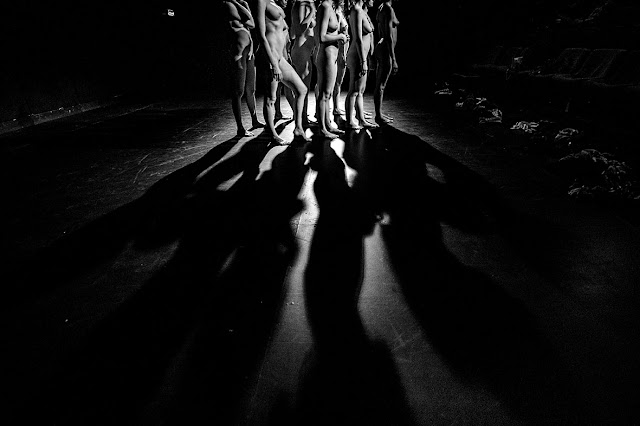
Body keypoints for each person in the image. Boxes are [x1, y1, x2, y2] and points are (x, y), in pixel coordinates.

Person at [256, 0, 311, 144]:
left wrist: (286, 56)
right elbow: (261, 35)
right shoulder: (262, 1)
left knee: (302, 90)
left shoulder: (276, 5)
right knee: (271, 98)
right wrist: (273, 64)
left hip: (281, 57)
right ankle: (273, 135)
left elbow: (287, 35)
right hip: (271, 56)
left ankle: (298, 129)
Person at [222, 0, 265, 136]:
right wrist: (238, 3)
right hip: (239, 52)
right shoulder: (228, 4)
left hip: (249, 52)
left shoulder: (242, 4)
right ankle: (240, 128)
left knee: (251, 89)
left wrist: (243, 4)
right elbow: (247, 20)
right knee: (238, 91)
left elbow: (252, 24)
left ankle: (255, 120)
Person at [314, 0, 349, 138]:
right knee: (324, 94)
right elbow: (322, 37)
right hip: (326, 55)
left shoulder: (331, 8)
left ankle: (327, 125)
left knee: (327, 94)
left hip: (332, 55)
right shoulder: (325, 6)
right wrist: (340, 36)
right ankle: (322, 129)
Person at [345, 0, 377, 130]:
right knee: (354, 90)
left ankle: (361, 119)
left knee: (360, 90)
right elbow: (358, 39)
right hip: (358, 56)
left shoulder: (362, 11)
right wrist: (363, 61)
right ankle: (349, 121)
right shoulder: (357, 11)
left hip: (362, 55)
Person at [289, 0, 317, 127]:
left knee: (305, 88)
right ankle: (301, 120)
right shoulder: (301, 3)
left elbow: (293, 33)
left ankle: (303, 117)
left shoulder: (302, 4)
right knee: (302, 89)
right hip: (301, 51)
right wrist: (312, 11)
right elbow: (301, 28)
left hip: (304, 50)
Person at [373, 0, 399, 126]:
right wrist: (393, 59)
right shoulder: (387, 9)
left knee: (380, 84)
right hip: (385, 49)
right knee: (381, 85)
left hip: (382, 46)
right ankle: (378, 115)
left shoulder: (382, 8)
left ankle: (379, 113)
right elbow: (388, 36)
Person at [332, 0, 349, 119]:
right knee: (337, 81)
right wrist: (342, 54)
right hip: (340, 50)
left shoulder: (341, 13)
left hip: (344, 49)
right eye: (341, 1)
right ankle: (335, 107)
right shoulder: (337, 14)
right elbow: (336, 34)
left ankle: (336, 106)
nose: (343, 2)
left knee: (339, 81)